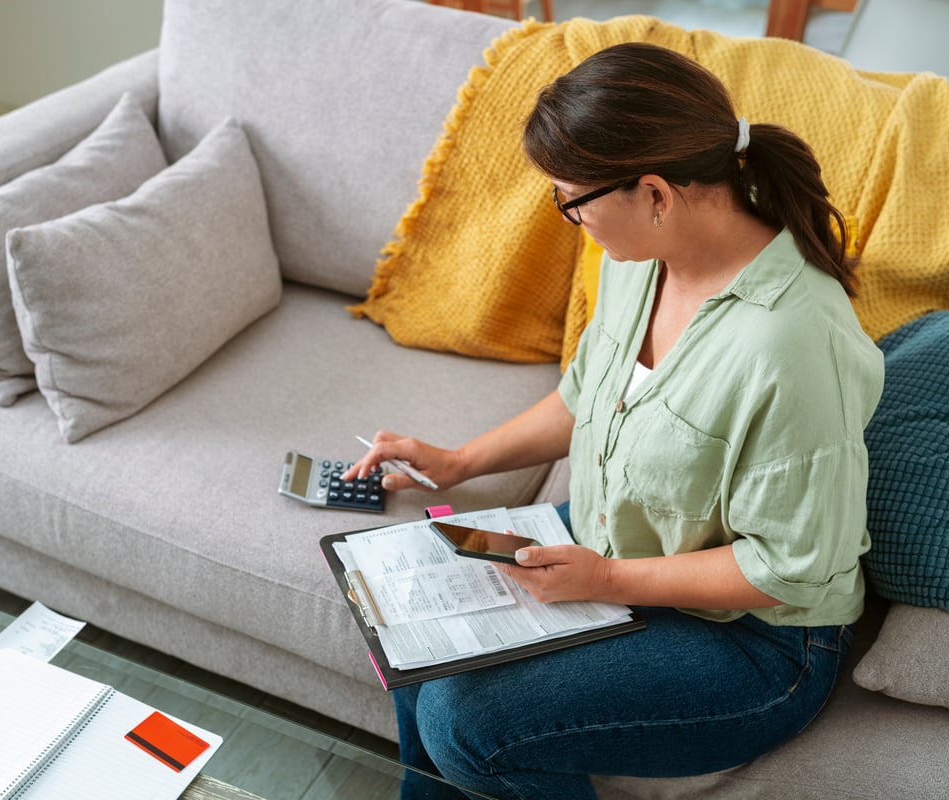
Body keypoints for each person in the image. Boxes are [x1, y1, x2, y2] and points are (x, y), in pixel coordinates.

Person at [345, 42, 884, 800]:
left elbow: (787, 567)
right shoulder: (637, 260)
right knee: (410, 634)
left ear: (655, 193)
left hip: (753, 641)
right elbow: (588, 395)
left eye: (572, 200)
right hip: (611, 541)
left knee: (467, 721)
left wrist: (605, 577)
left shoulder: (792, 344)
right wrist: (461, 462)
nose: (571, 220)